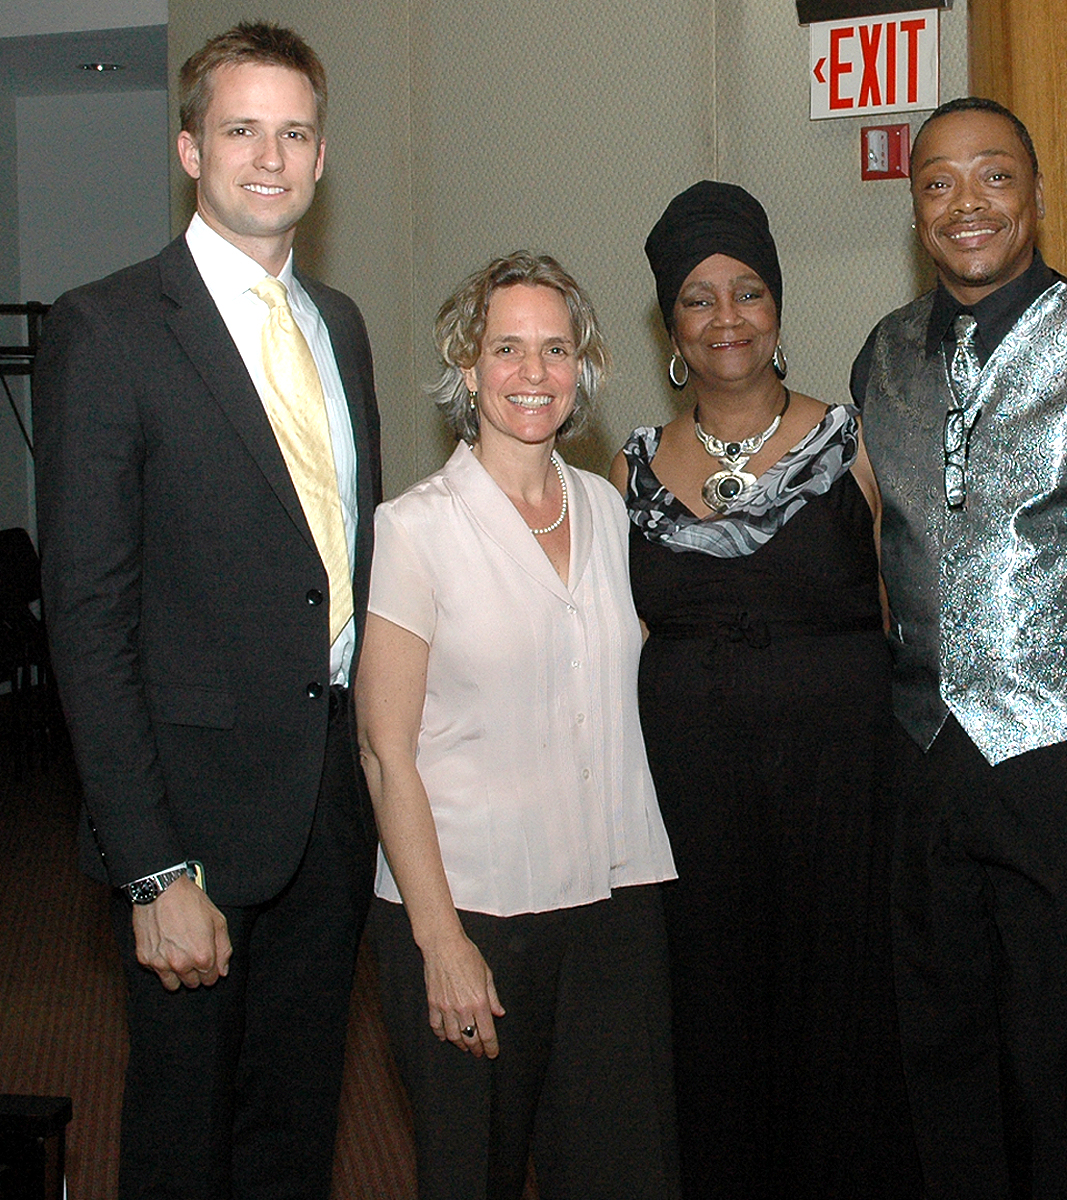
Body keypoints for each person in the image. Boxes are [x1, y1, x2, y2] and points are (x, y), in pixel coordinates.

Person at [32, 22, 381, 1200]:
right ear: (190, 148)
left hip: (331, 805)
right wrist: (151, 870)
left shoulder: (341, 327)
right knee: (186, 1136)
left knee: (299, 1121)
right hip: (191, 820)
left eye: (293, 132)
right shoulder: (109, 327)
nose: (269, 156)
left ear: (323, 156)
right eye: (241, 129)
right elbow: (87, 616)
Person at [851, 97, 1067, 1199]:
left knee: (1061, 1065)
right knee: (938, 1056)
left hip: (1058, 763)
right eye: (938, 182)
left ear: (1036, 195)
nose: (967, 203)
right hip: (923, 756)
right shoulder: (882, 354)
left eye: (993, 176)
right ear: (915, 209)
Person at [612, 180, 919, 1199]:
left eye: (747, 291)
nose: (727, 317)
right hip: (690, 809)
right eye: (699, 297)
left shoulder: (858, 443)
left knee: (842, 1021)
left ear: (778, 307)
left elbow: (911, 615)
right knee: (709, 1023)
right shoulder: (630, 472)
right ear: (671, 324)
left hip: (841, 802)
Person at [358, 252, 679, 1200]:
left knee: (627, 1175)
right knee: (472, 1178)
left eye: (555, 349)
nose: (533, 373)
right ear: (467, 369)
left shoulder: (612, 510)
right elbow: (386, 753)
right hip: (473, 909)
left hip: (616, 900)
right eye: (507, 349)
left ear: (582, 369)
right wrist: (439, 940)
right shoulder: (415, 530)